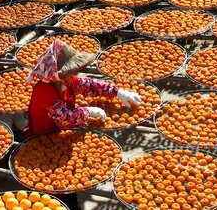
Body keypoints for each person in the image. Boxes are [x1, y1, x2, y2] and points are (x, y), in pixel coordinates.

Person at [23, 39, 141, 209]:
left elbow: (90, 86)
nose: (74, 76)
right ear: (57, 75)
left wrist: (117, 92)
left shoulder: (67, 82)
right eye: (70, 73)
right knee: (56, 189)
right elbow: (65, 119)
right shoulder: (44, 90)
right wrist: (88, 111)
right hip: (41, 141)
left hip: (62, 140)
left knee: (68, 179)